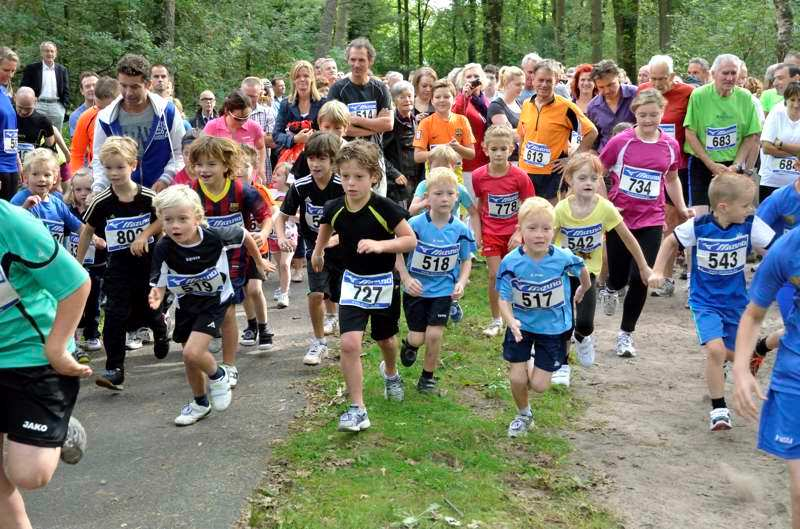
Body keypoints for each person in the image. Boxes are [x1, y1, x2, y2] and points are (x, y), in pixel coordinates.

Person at [649, 173, 773, 430]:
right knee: (716, 351)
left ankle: (751, 353)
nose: (751, 209)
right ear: (724, 207)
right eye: (746, 205)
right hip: (704, 301)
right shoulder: (699, 226)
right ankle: (719, 409)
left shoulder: (750, 224)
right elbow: (671, 241)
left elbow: (777, 249)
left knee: (734, 352)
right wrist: (658, 270)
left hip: (737, 302)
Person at [310, 140, 416, 432]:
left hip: (382, 283)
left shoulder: (385, 208)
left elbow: (409, 240)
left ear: (373, 177)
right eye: (345, 176)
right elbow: (326, 226)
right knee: (349, 343)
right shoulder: (334, 206)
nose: (351, 183)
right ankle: (358, 408)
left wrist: (381, 245)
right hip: (352, 282)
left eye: (358, 177)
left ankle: (391, 373)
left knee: (386, 341)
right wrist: (318, 252)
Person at [0, 193, 92, 529]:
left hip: (33, 354)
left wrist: (56, 348)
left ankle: (61, 430)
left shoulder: (11, 223)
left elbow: (76, 284)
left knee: (29, 473)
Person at [148, 185, 268, 425]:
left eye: (182, 219)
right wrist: (157, 294)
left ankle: (219, 374)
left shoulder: (214, 236)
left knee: (194, 351)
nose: (175, 226)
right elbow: (159, 278)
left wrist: (258, 260)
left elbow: (244, 235)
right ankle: (200, 403)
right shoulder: (164, 247)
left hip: (215, 302)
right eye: (168, 220)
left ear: (197, 218)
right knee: (189, 358)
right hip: (186, 305)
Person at [599, 89, 690, 357]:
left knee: (643, 276)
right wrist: (606, 205)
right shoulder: (621, 142)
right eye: (643, 115)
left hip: (652, 217)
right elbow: (598, 171)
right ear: (635, 114)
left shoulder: (670, 145)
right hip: (620, 218)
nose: (649, 119)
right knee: (617, 275)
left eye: (654, 114)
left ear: (662, 113)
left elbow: (672, 179)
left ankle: (625, 334)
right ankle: (612, 288)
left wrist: (682, 208)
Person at [77, 136, 170, 390]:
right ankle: (114, 367)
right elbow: (87, 230)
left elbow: (163, 220)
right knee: (115, 316)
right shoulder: (102, 201)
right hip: (117, 268)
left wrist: (144, 235)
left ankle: (160, 330)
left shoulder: (148, 197)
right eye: (108, 168)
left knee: (149, 310)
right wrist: (78, 263)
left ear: (133, 165)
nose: (114, 173)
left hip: (147, 266)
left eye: (119, 167)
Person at [553, 153, 652, 384]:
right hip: (562, 273)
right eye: (583, 178)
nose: (589, 183)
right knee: (563, 320)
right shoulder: (560, 210)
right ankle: (562, 364)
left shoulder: (605, 208)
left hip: (589, 273)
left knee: (585, 323)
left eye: (594, 178)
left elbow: (628, 238)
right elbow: (548, 240)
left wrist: (644, 266)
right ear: (570, 180)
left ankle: (583, 337)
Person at [497, 196, 590, 437]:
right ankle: (524, 415)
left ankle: (533, 359)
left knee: (539, 385)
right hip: (521, 326)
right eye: (533, 228)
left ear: (554, 231)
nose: (540, 234)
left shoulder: (562, 258)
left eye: (546, 229)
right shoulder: (511, 262)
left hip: (553, 328)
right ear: (520, 231)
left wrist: (582, 288)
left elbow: (582, 271)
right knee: (517, 379)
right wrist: (510, 321)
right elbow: (503, 299)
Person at [186, 136, 274, 376]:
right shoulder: (191, 193)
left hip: (236, 257)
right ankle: (209, 338)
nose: (204, 170)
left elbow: (267, 215)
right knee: (206, 307)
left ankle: (229, 365)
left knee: (227, 310)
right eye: (199, 164)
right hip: (203, 260)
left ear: (226, 165)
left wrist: (264, 234)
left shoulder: (241, 190)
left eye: (211, 164)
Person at [396, 167, 476, 394]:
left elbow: (466, 259)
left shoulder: (461, 230)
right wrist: (406, 277)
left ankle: (427, 377)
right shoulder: (414, 226)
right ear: (427, 197)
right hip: (416, 290)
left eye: (450, 194)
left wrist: (461, 281)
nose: (444, 199)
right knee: (418, 337)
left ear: (457, 197)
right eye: (438, 193)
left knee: (434, 334)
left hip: (443, 291)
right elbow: (397, 253)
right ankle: (409, 344)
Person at [277, 132, 345, 366]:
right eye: (311, 158)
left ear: (333, 160)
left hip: (342, 248)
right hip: (313, 249)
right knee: (316, 294)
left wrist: (332, 242)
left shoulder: (342, 186)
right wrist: (281, 234)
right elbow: (282, 215)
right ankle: (318, 342)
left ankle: (338, 321)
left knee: (339, 296)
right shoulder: (301, 186)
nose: (315, 164)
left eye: (322, 159)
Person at [638, 54, 694, 297]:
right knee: (664, 220)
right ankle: (663, 275)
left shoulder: (688, 93)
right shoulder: (643, 90)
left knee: (678, 220)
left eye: (662, 78)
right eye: (653, 78)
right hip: (650, 165)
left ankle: (673, 276)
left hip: (678, 164)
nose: (657, 84)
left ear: (672, 76)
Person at [472, 125, 536, 337]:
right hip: (491, 232)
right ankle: (496, 319)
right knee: (495, 275)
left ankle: (518, 316)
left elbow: (529, 206)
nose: (498, 154)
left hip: (514, 234)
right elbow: (480, 204)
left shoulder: (520, 176)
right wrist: (478, 233)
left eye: (503, 149)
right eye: (494, 149)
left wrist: (519, 233)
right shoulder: (479, 176)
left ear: (511, 150)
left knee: (516, 275)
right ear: (485, 149)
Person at [91, 54, 184, 193]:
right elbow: (99, 158)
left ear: (148, 85)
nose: (128, 93)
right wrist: (98, 189)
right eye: (123, 86)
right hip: (123, 195)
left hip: (162, 193)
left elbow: (180, 152)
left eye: (135, 87)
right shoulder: (106, 118)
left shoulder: (167, 112)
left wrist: (166, 178)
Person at [683, 54, 761, 217]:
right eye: (725, 73)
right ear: (713, 74)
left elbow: (750, 136)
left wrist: (736, 165)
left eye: (734, 73)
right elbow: (690, 133)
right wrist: (711, 164)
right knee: (701, 216)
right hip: (703, 163)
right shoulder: (699, 95)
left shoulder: (745, 97)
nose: (730, 78)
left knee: (732, 214)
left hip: (732, 164)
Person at [517, 59, 597, 202]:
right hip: (526, 172)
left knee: (551, 220)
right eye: (540, 80)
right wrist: (519, 162)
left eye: (549, 81)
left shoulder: (566, 107)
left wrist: (572, 159)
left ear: (557, 81)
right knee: (528, 217)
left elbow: (591, 132)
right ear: (533, 79)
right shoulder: (526, 104)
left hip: (552, 175)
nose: (544, 85)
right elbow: (522, 136)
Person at [327, 38, 394, 196]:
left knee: (376, 202)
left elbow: (388, 124)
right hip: (344, 155)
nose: (356, 64)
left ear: (370, 61)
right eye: (353, 59)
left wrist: (355, 119)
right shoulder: (337, 89)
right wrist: (373, 126)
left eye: (361, 60)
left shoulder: (380, 88)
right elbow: (339, 128)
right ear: (348, 60)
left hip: (374, 154)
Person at [65, 169, 107, 361]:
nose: (83, 193)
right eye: (78, 189)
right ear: (72, 190)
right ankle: (73, 333)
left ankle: (91, 334)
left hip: (96, 264)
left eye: (88, 189)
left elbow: (105, 236)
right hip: (73, 263)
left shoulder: (99, 211)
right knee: (73, 300)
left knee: (93, 300)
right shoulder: (68, 211)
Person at [413, 79, 475, 178]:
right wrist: (440, 152)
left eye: (446, 96)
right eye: (437, 97)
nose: (442, 100)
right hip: (433, 177)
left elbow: (471, 154)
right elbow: (417, 156)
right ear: (432, 101)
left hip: (456, 178)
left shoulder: (462, 120)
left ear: (454, 99)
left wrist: (458, 148)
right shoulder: (425, 123)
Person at [203, 89, 267, 184]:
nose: (243, 122)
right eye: (238, 118)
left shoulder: (254, 127)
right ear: (227, 111)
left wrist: (260, 169)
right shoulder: (212, 126)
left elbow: (261, 147)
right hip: (221, 181)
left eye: (246, 117)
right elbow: (203, 152)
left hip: (247, 180)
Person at [273, 60, 325, 160]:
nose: (302, 79)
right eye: (297, 76)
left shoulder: (323, 103)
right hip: (291, 159)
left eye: (306, 76)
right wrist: (295, 139)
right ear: (293, 80)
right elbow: (276, 134)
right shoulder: (285, 104)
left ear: (312, 79)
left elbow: (329, 131)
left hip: (318, 155)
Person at [69, 77, 119, 174]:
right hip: (97, 172)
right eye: (98, 107)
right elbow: (77, 152)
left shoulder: (131, 116)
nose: (102, 113)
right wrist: (76, 176)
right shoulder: (87, 117)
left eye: (107, 109)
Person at [759, 81, 800, 202]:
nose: (796, 105)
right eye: (792, 100)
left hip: (796, 183)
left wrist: (781, 144)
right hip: (771, 180)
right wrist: (796, 152)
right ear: (786, 100)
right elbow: (766, 148)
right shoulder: (777, 113)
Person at [453, 63, 491, 189]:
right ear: (463, 81)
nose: (473, 79)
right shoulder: (461, 100)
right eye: (469, 76)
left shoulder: (486, 101)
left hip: (486, 159)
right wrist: (465, 96)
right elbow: (455, 119)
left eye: (476, 76)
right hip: (468, 163)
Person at [586, 59, 638, 149]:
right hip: (605, 155)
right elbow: (594, 140)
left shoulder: (636, 94)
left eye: (611, 85)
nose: (607, 91)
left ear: (618, 77)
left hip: (634, 152)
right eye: (601, 87)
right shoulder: (592, 107)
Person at [383, 80, 419, 206]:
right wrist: (394, 173)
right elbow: (380, 152)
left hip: (415, 178)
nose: (407, 100)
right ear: (394, 100)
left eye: (409, 96)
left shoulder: (416, 121)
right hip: (398, 182)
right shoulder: (391, 124)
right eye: (402, 97)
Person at [20, 41, 70, 132]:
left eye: (52, 51)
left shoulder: (62, 70)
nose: (49, 53)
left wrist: (64, 107)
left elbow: (66, 90)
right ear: (42, 53)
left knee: (56, 135)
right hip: (37, 105)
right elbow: (24, 87)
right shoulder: (32, 68)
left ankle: (53, 147)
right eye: (46, 51)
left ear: (56, 53)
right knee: (35, 132)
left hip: (56, 106)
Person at [241, 77, 275, 182]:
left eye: (253, 96)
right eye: (247, 96)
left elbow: (272, 141)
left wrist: (244, 137)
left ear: (260, 94)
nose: (249, 99)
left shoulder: (268, 112)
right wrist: (260, 137)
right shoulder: (233, 113)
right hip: (238, 166)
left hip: (261, 166)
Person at [488, 67, 523, 162]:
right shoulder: (496, 106)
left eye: (522, 84)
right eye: (518, 84)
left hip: (521, 158)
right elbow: (507, 135)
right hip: (505, 160)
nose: (522, 87)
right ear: (507, 83)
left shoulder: (520, 104)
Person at [14, 87, 56, 164]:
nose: (23, 112)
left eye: (28, 109)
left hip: (32, 165)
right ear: (15, 98)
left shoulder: (43, 121)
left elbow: (50, 147)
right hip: (8, 164)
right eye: (20, 107)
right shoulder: (7, 115)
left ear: (35, 101)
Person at [0, 47, 19, 201]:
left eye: (13, 71)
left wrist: (17, 159)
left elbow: (9, 130)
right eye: (6, 70)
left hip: (11, 164)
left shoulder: (5, 93)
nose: (10, 75)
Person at [68, 72, 98, 136]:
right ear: (82, 91)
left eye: (94, 85)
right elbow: (77, 143)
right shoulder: (76, 116)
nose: (92, 89)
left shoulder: (109, 111)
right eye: (87, 86)